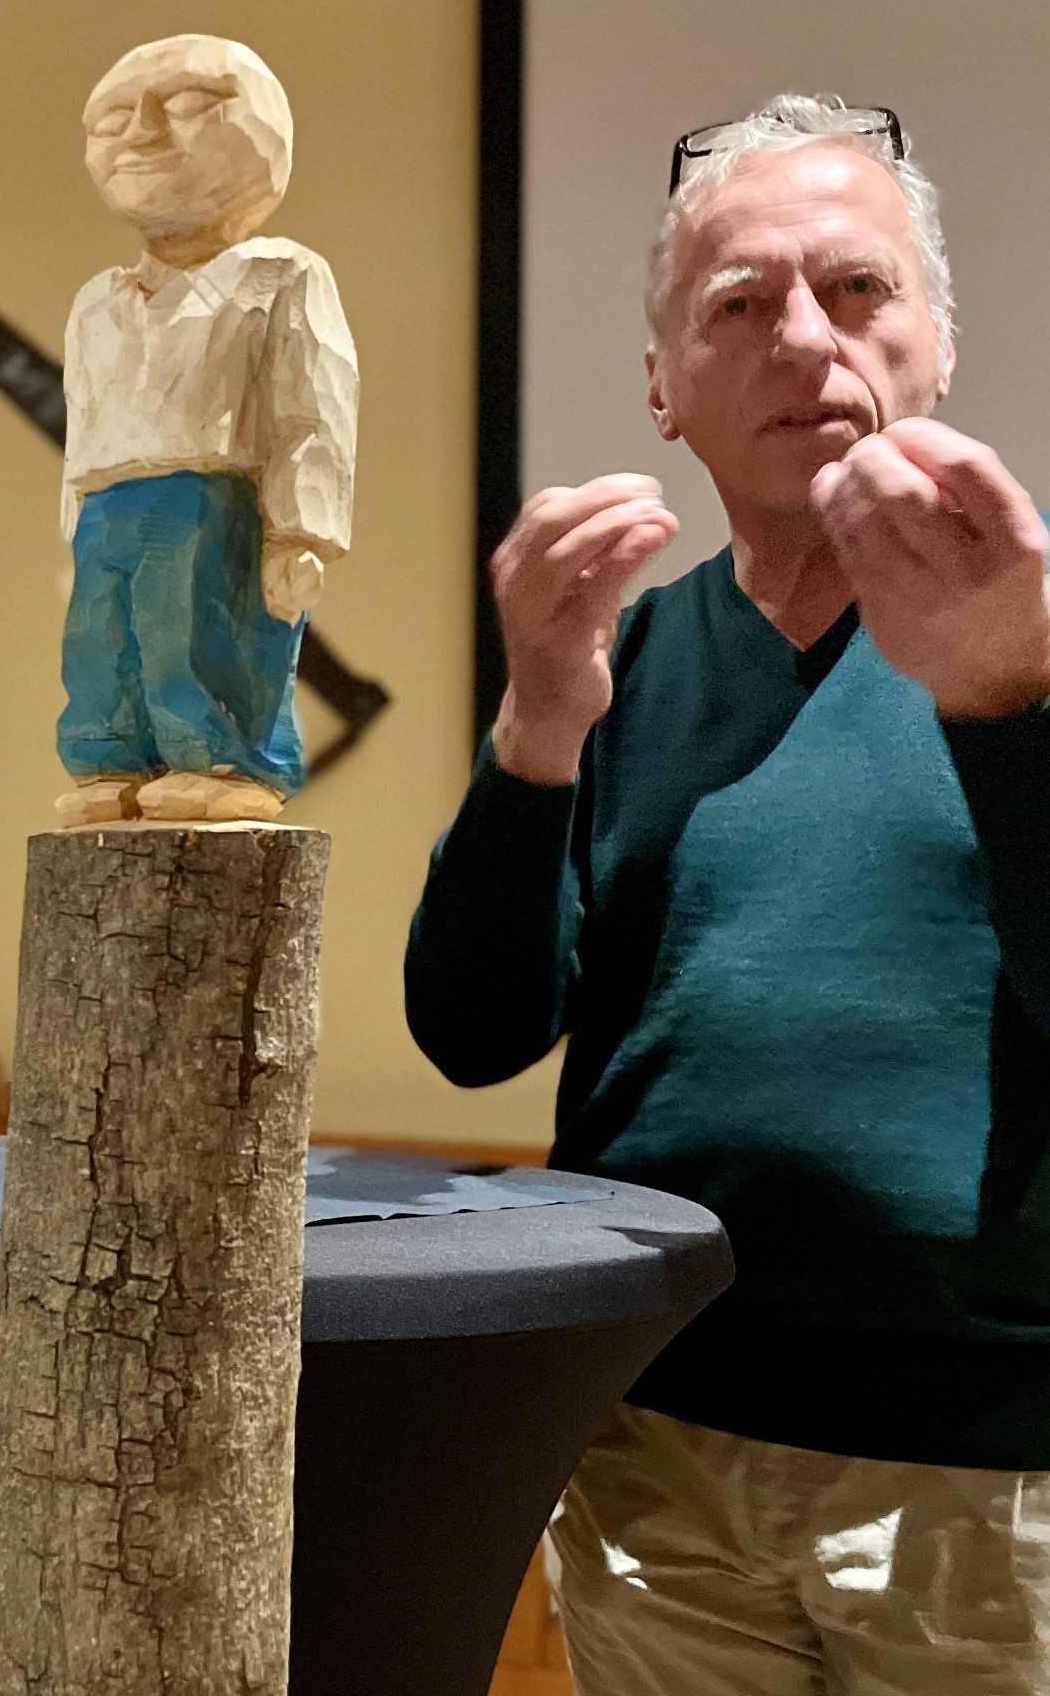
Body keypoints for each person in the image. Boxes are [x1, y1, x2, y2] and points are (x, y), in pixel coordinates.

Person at [405, 95, 1050, 1691]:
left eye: (856, 287)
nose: (802, 338)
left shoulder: (1032, 622)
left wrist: (1003, 704)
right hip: (647, 1436)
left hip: (985, 1469)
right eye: (739, 303)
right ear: (663, 387)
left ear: (936, 344)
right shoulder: (614, 656)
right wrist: (533, 724)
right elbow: (472, 1033)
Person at [55, 33, 358, 828]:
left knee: (199, 632)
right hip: (107, 505)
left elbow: (312, 409)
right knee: (100, 643)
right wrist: (73, 519)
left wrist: (300, 531)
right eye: (113, 118)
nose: (142, 133)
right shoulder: (97, 299)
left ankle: (226, 758)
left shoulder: (280, 273)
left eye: (188, 103)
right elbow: (81, 417)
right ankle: (110, 757)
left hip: (212, 497)